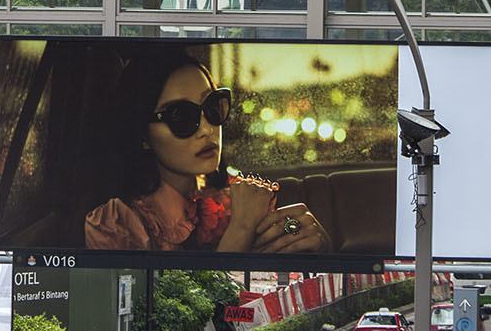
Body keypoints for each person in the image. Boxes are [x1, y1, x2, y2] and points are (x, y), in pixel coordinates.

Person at [80, 52, 332, 255]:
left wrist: (313, 243)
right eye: (181, 116)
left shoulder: (242, 197)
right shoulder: (118, 224)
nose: (206, 129)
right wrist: (241, 229)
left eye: (212, 107)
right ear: (143, 135)